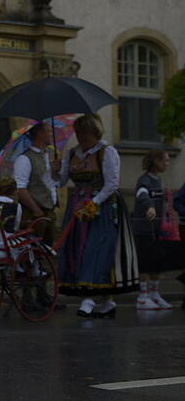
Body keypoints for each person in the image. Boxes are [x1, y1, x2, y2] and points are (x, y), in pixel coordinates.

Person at [57, 114, 138, 318]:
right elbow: (61, 181)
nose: (81, 137)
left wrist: (93, 203)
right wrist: (54, 171)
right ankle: (107, 302)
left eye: (85, 133)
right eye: (79, 133)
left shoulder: (106, 152)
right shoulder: (72, 153)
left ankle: (89, 298)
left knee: (96, 249)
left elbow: (112, 184)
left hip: (102, 207)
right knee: (78, 249)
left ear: (95, 132)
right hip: (77, 206)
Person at [132, 150, 176, 309]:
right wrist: (149, 207)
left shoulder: (158, 180)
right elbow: (141, 194)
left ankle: (154, 294)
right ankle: (142, 297)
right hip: (143, 229)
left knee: (157, 262)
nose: (167, 163)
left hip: (157, 229)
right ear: (156, 161)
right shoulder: (144, 180)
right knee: (145, 262)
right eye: (166, 160)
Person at [13, 122, 60, 247]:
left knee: (47, 250)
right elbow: (20, 189)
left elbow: (50, 183)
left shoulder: (47, 157)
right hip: (34, 214)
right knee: (33, 251)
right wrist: (36, 210)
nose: (52, 134)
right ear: (40, 134)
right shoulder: (25, 159)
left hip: (49, 211)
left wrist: (55, 171)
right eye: (49, 131)